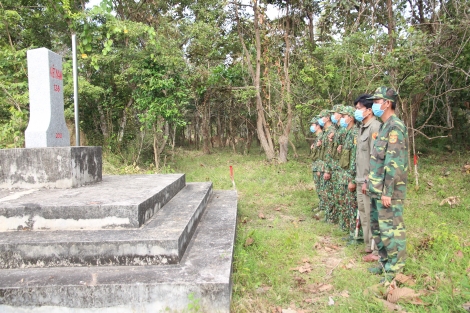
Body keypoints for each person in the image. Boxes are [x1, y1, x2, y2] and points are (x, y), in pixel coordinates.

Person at [367, 87, 409, 280]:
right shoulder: (383, 126)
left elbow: (394, 163)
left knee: (392, 229)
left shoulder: (395, 127)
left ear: (387, 103)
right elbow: (378, 160)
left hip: (388, 191)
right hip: (377, 189)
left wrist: (388, 192)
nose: (374, 105)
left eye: (377, 101)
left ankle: (396, 269)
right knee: (379, 229)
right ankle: (385, 263)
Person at [354, 94, 382, 261]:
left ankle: (376, 248)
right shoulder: (362, 127)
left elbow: (375, 157)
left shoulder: (375, 128)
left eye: (359, 109)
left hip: (367, 180)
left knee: (372, 214)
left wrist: (368, 180)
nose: (356, 112)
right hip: (359, 179)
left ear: (369, 110)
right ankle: (367, 244)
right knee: (363, 213)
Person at [337, 106, 359, 236]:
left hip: (351, 176)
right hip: (345, 174)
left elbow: (356, 158)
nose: (342, 118)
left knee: (353, 206)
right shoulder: (348, 133)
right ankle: (350, 231)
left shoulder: (355, 133)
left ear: (350, 118)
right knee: (347, 205)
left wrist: (353, 178)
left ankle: (355, 233)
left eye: (344, 116)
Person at [317, 109, 336, 221]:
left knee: (330, 193)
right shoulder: (325, 131)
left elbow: (329, 152)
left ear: (327, 118)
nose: (320, 119)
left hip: (330, 166)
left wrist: (327, 169)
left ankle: (331, 216)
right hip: (325, 164)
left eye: (321, 116)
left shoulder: (331, 131)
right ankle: (327, 214)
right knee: (325, 191)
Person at [309, 117, 324, 213]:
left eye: (313, 125)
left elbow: (322, 154)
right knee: (318, 188)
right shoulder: (318, 137)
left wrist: (320, 168)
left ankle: (323, 208)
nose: (311, 127)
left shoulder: (322, 137)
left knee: (321, 188)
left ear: (318, 126)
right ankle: (321, 205)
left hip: (319, 166)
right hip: (315, 165)